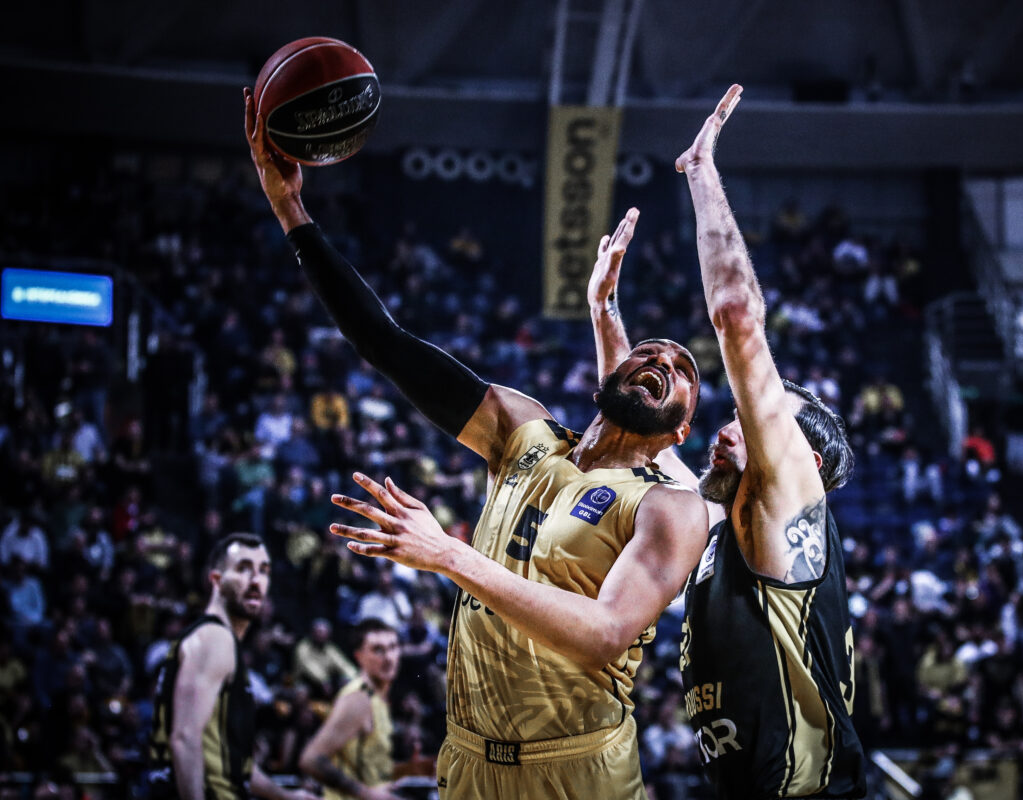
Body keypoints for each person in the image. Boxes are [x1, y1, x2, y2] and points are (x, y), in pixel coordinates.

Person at [245, 91, 710, 800]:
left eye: (683, 372)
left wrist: (449, 554)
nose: (665, 362)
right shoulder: (520, 430)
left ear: (680, 429)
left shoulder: (669, 507)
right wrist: (290, 212)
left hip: (578, 769)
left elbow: (607, 632)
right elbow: (386, 344)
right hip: (465, 761)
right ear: (612, 368)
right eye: (651, 351)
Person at [590, 86, 866, 798]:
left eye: (760, 421)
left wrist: (701, 168)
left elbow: (738, 315)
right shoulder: (727, 520)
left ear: (801, 463)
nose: (729, 422)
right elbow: (640, 440)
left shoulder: (787, 506)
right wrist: (605, 315)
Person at [146, 533, 317, 800]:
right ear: (215, 580)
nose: (255, 580)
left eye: (263, 571)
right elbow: (184, 739)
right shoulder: (214, 639)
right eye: (243, 569)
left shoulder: (217, 644)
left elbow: (232, 762)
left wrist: (287, 796)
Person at [299, 618, 403, 800]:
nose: (388, 657)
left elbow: (365, 765)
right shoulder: (358, 697)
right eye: (378, 649)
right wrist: (367, 794)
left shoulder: (376, 698)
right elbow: (311, 760)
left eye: (393, 647)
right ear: (359, 657)